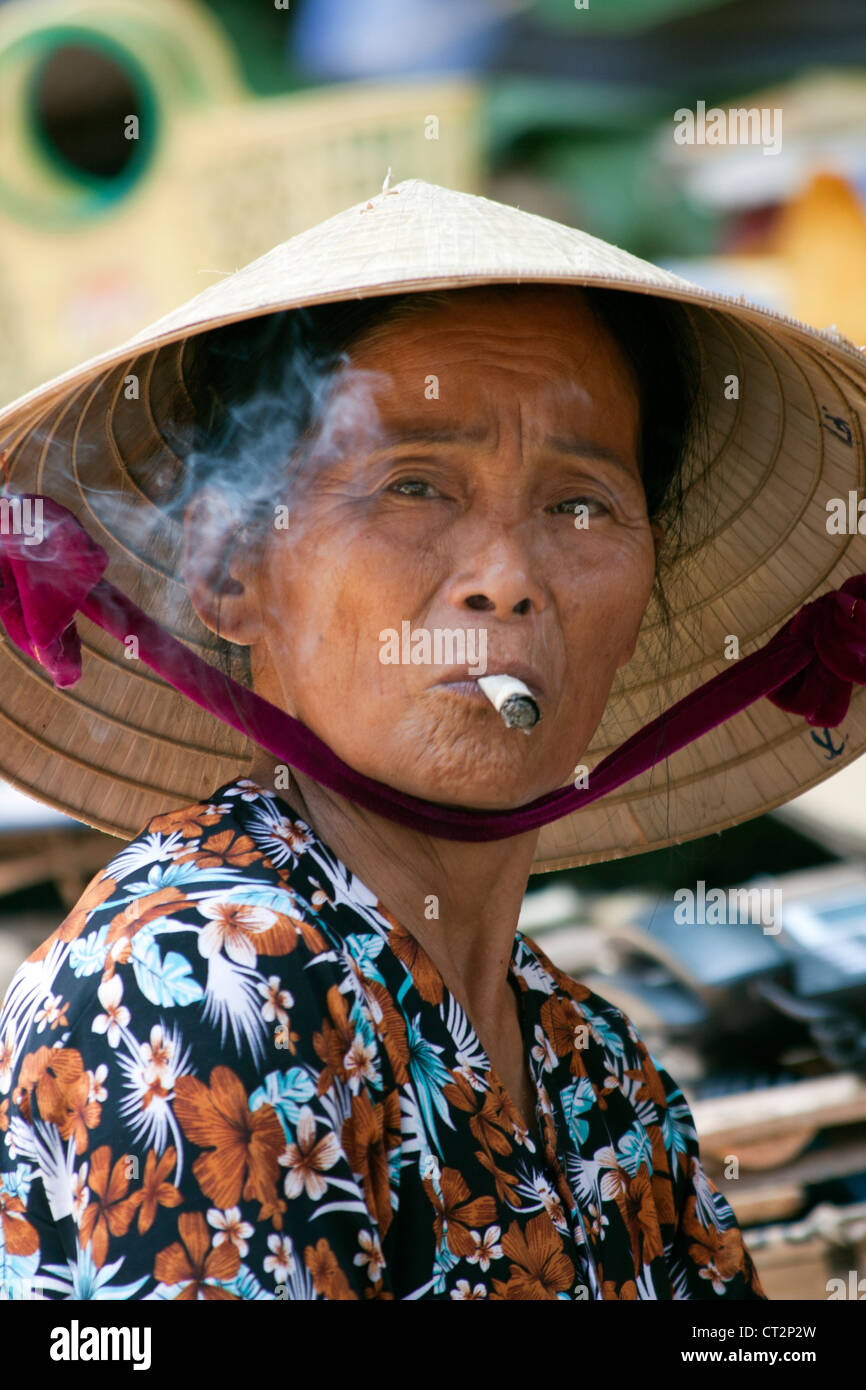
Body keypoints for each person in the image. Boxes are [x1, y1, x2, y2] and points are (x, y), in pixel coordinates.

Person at [1, 179, 864, 1301]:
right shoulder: (194, 991)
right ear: (227, 571)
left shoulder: (597, 1070)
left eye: (580, 504)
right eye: (411, 485)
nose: (506, 581)